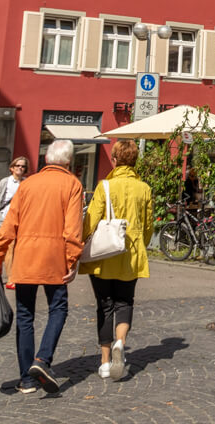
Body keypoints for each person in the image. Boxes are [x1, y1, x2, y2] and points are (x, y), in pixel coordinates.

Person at [0, 139, 84, 394]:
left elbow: (8, 227)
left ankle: (26, 380)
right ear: (68, 162)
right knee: (58, 308)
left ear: (46, 159)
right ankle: (42, 359)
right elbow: (73, 229)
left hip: (26, 259)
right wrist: (72, 260)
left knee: (25, 316)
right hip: (54, 260)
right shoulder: (72, 184)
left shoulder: (27, 185)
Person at [80, 140, 153, 381]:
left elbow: (91, 220)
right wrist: (141, 243)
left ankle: (103, 362)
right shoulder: (144, 188)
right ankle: (120, 343)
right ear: (134, 161)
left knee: (105, 305)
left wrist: (81, 242)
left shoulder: (105, 186)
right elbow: (148, 225)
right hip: (130, 254)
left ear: (115, 159)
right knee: (124, 302)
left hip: (104, 255)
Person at [0, 155, 30, 288]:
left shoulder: (27, 182)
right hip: (2, 219)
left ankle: (11, 279)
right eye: (18, 166)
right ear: (12, 168)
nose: (20, 168)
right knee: (1, 248)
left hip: (19, 221)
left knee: (13, 249)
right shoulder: (5, 182)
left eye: (23, 166)